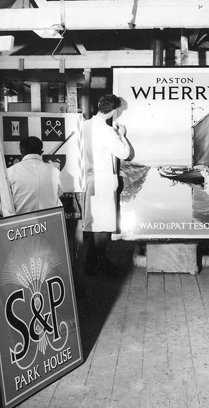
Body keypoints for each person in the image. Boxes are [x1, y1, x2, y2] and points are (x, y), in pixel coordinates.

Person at [81, 94, 132, 276]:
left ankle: (91, 262)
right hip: (102, 181)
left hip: (86, 180)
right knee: (102, 225)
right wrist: (122, 135)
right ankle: (97, 263)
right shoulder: (107, 131)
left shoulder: (84, 125)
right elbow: (124, 154)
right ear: (112, 112)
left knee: (93, 223)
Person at [7, 136, 63, 214]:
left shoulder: (10, 172)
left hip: (21, 224)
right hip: (50, 222)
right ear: (41, 152)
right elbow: (59, 194)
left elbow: (2, 208)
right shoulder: (54, 171)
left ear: (21, 151)